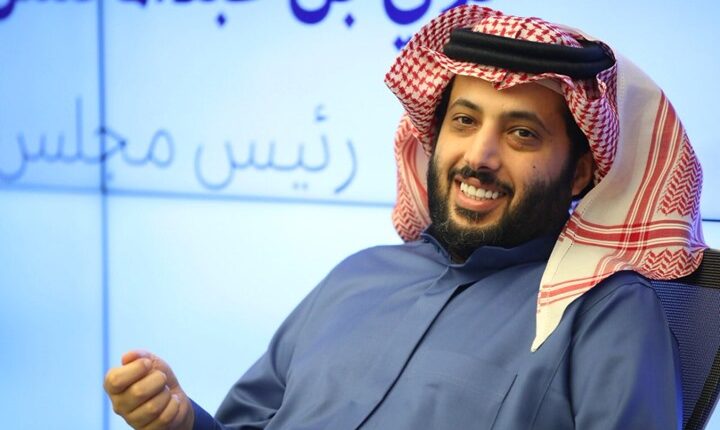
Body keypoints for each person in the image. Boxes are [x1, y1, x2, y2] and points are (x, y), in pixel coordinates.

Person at [104, 5, 706, 429]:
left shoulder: (607, 312)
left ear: (578, 174)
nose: (480, 156)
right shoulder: (358, 276)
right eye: (464, 121)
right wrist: (181, 421)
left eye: (522, 133)